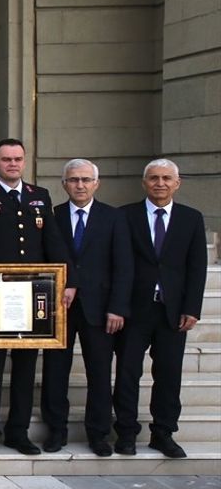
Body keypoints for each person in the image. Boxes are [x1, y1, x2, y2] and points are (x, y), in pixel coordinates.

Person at [0, 138, 72, 456]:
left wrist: (68, 281)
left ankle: (18, 431)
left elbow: (52, 240)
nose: (13, 164)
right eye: (6, 159)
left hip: (33, 295)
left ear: (24, 162)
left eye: (18, 159)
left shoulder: (39, 197)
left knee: (25, 369)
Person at [113, 158, 208, 459]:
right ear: (144, 183)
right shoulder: (125, 216)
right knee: (127, 373)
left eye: (167, 178)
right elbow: (116, 264)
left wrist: (192, 308)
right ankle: (126, 432)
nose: (160, 183)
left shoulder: (191, 219)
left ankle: (163, 432)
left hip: (172, 311)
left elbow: (197, 267)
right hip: (133, 310)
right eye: (154, 178)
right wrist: (117, 306)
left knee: (169, 374)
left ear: (177, 184)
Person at [40, 158, 132, 456]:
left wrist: (117, 307)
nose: (79, 185)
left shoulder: (114, 218)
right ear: (64, 184)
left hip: (100, 308)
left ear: (96, 183)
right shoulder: (52, 216)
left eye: (85, 180)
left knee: (100, 372)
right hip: (59, 308)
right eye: (73, 180)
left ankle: (99, 433)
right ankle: (56, 431)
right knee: (55, 372)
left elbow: (123, 267)